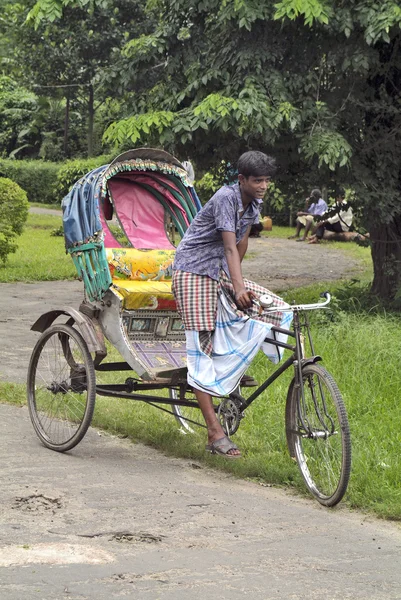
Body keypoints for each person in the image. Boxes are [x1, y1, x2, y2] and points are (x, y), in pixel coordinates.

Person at [172, 151, 291, 459]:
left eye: (266, 180)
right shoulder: (227, 197)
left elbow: (241, 241)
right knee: (203, 346)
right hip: (193, 270)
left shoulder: (254, 201)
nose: (264, 185)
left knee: (277, 309)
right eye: (257, 180)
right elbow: (227, 245)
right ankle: (213, 433)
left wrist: (238, 282)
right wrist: (237, 287)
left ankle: (231, 374)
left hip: (221, 270)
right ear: (242, 180)